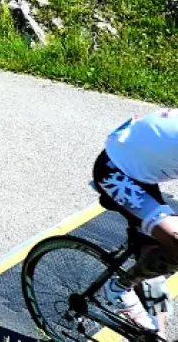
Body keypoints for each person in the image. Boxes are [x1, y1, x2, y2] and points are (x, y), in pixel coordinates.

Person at [94, 111, 178, 333]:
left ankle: (155, 334)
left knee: (156, 263)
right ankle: (119, 287)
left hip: (139, 168)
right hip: (115, 174)